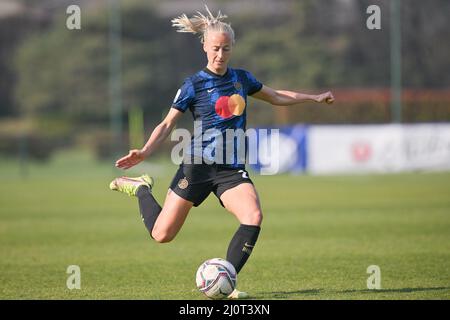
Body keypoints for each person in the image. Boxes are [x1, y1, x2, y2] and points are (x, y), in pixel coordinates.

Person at [109, 6, 334, 299]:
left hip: (230, 169)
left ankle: (226, 283)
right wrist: (145, 151)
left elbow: (276, 95)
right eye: (215, 48)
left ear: (232, 48)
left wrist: (312, 98)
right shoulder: (193, 85)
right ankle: (140, 189)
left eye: (226, 49)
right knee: (162, 235)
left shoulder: (242, 78)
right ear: (204, 47)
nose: (220, 55)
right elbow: (167, 124)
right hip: (197, 166)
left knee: (253, 215)